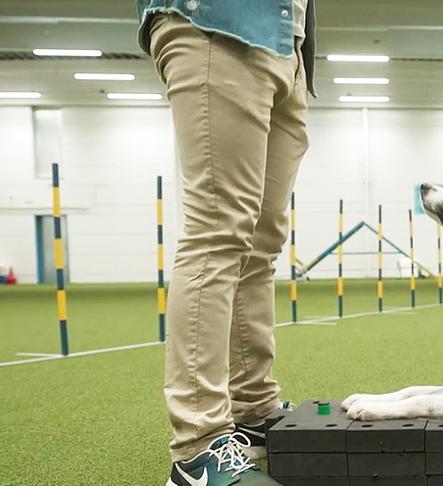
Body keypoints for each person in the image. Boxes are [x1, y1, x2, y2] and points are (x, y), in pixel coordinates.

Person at [135, 1, 316, 484]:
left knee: (261, 244)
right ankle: (198, 447)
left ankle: (253, 409)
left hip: (287, 45)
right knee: (218, 232)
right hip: (218, 24)